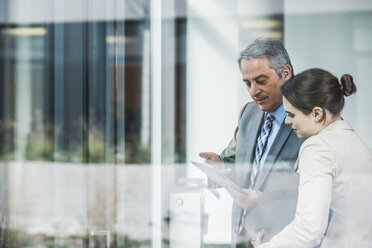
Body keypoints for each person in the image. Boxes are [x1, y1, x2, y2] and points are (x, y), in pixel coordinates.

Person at [199, 38, 303, 248]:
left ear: (285, 73)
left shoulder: (308, 118)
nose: (253, 91)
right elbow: (235, 161)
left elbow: (314, 184)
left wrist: (264, 199)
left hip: (281, 238)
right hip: (242, 234)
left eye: (261, 80)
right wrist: (220, 166)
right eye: (247, 83)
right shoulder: (249, 113)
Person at [252, 68, 372, 247]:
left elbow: (309, 230)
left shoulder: (318, 147)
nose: (287, 121)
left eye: (291, 114)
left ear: (317, 114)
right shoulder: (358, 145)